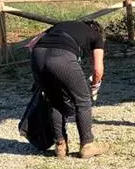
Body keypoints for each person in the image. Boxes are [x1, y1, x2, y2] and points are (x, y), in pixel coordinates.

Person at [30, 19, 107, 159]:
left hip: (37, 56)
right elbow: (97, 70)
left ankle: (60, 145)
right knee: (83, 100)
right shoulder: (96, 36)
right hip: (62, 57)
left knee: (54, 100)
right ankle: (87, 145)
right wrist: (95, 85)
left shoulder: (61, 25)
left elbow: (32, 43)